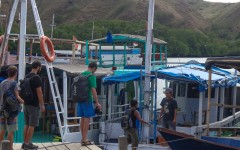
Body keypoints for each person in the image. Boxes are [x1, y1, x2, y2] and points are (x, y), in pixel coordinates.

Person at [21, 61, 45, 150]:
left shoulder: (26, 76)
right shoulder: (36, 77)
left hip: (26, 103)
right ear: (38, 67)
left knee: (26, 124)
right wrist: (42, 105)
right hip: (34, 105)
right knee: (32, 124)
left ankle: (25, 143)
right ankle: (27, 144)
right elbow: (39, 92)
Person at [0, 66, 24, 150]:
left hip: (2, 109)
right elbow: (17, 97)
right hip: (12, 111)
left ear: (8, 73)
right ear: (16, 73)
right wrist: (24, 101)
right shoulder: (15, 84)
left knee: (2, 129)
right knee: (11, 131)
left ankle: (2, 147)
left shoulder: (2, 83)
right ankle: (10, 148)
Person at [77, 62, 102, 145]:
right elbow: (93, 90)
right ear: (94, 68)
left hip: (79, 99)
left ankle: (82, 138)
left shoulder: (81, 75)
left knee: (82, 119)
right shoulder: (91, 76)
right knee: (87, 119)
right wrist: (97, 102)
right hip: (87, 99)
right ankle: (84, 139)